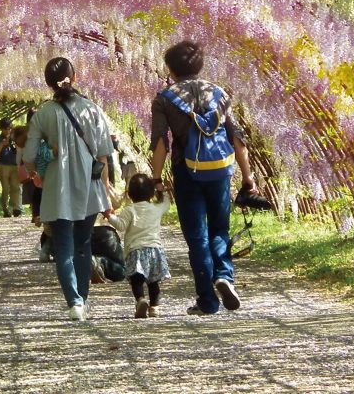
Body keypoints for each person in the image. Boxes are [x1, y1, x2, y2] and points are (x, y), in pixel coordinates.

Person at [150, 39, 262, 315]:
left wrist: (155, 179)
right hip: (220, 171)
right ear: (199, 67)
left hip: (186, 171)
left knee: (197, 236)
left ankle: (207, 300)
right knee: (219, 230)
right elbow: (238, 138)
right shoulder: (220, 94)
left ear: (170, 69)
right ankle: (224, 275)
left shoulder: (165, 98)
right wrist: (248, 178)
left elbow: (160, 143)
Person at [21, 56, 114, 321]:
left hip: (56, 188)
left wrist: (38, 168)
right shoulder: (92, 109)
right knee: (83, 244)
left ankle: (74, 302)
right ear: (74, 78)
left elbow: (28, 154)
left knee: (63, 246)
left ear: (49, 84)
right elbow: (104, 155)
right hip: (89, 187)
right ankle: (82, 300)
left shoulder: (43, 114)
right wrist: (106, 193)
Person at [104, 173, 170, 318]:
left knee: (136, 280)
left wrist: (109, 216)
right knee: (154, 282)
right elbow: (166, 204)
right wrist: (162, 190)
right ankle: (154, 307)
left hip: (136, 250)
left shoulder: (130, 210)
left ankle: (140, 300)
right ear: (151, 193)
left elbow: (120, 226)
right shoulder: (156, 208)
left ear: (130, 194)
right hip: (154, 250)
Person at [0, 118, 22, 217]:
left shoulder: (15, 138)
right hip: (3, 165)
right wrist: (2, 144)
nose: (8, 131)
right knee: (5, 189)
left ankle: (16, 208)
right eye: (6, 129)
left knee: (16, 187)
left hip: (14, 165)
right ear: (1, 129)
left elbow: (21, 150)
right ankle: (6, 209)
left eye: (9, 128)